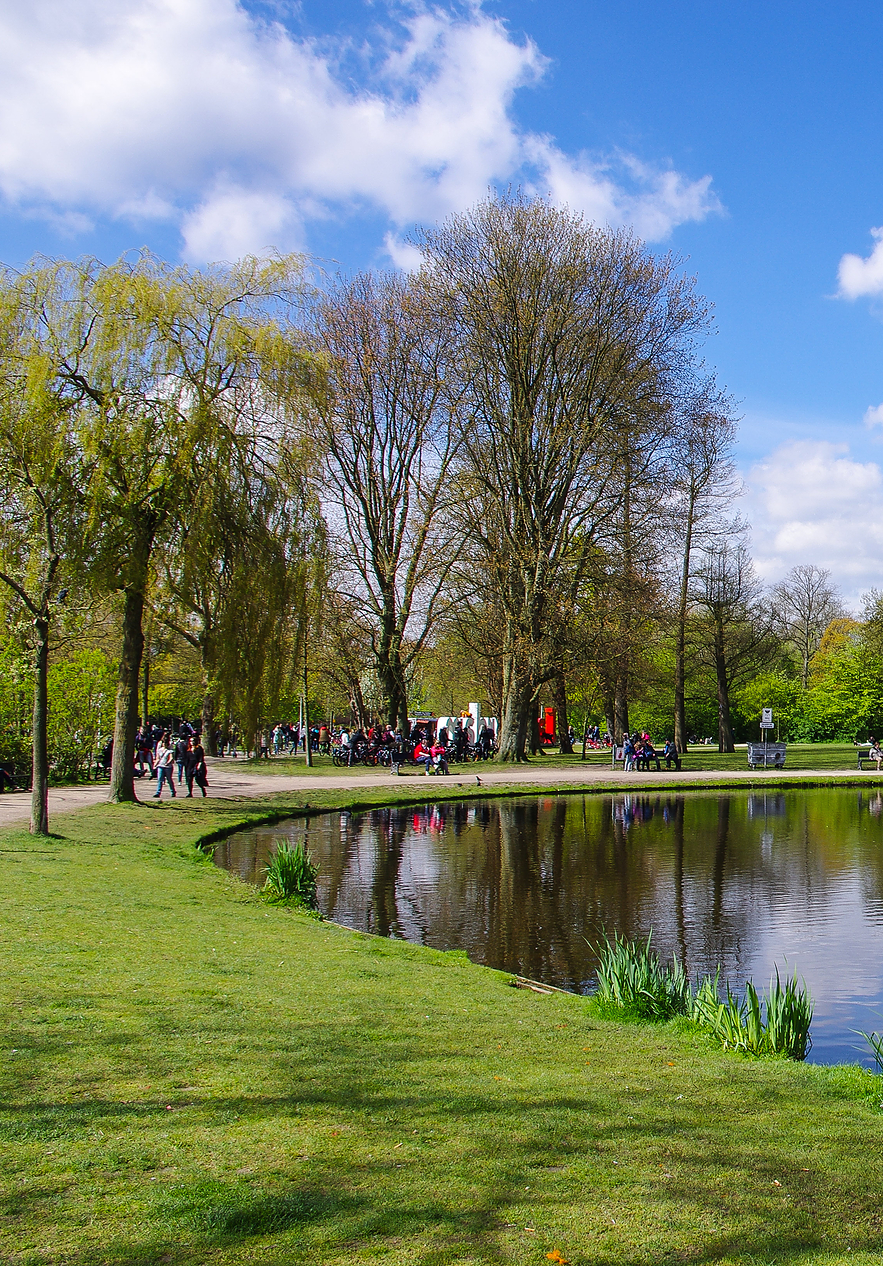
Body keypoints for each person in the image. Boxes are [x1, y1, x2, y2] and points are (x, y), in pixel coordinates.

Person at [153, 733, 176, 798]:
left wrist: (168, 763)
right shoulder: (160, 750)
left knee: (169, 779)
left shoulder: (169, 751)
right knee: (160, 779)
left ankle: (173, 791)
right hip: (160, 766)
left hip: (167, 767)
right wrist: (155, 765)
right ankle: (158, 792)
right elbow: (157, 758)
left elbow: (171, 758)